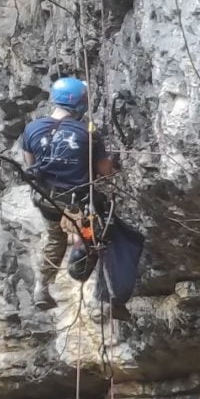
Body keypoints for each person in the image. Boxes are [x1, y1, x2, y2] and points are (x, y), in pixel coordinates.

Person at [19, 76, 143, 319]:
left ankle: (42, 287)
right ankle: (108, 298)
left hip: (47, 201)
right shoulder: (88, 133)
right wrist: (113, 162)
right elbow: (105, 171)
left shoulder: (31, 128)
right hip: (78, 202)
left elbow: (30, 164)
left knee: (55, 238)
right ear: (80, 103)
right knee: (105, 237)